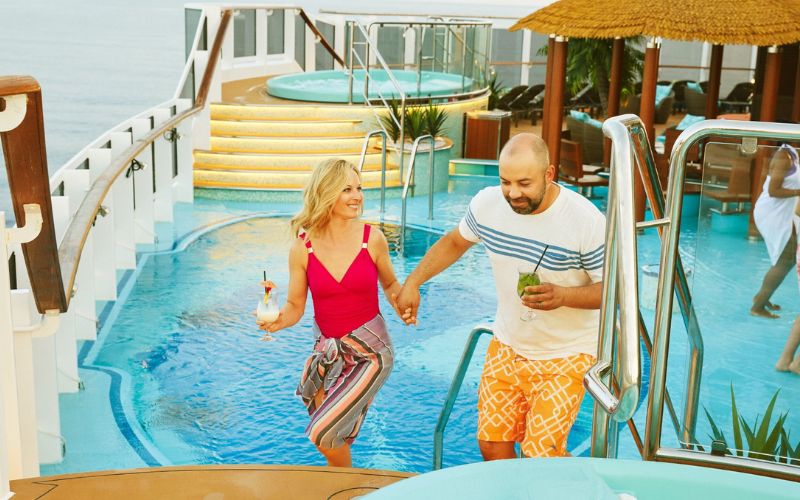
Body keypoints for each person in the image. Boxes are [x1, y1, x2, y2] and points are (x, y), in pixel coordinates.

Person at [396, 133, 605, 459]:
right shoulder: (488, 205)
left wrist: (563, 295)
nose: (513, 193)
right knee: (492, 444)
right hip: (508, 344)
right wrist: (413, 282)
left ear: (549, 175)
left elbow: (614, 292)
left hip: (567, 353)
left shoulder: (585, 221)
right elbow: (454, 242)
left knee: (541, 455)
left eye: (524, 183)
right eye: (506, 182)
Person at [256, 158, 404, 467]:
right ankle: (346, 489)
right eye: (347, 189)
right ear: (326, 193)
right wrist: (278, 321)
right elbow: (296, 306)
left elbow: (389, 283)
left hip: (371, 355)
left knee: (322, 432)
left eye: (359, 188)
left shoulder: (371, 239)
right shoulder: (303, 248)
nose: (357, 196)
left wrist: (403, 303)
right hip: (328, 354)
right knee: (331, 440)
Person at [751, 144, 800, 319]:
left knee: (784, 258)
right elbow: (773, 190)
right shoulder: (782, 156)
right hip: (772, 213)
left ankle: (762, 296)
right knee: (785, 259)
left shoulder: (792, 154)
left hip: (783, 214)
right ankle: (758, 306)